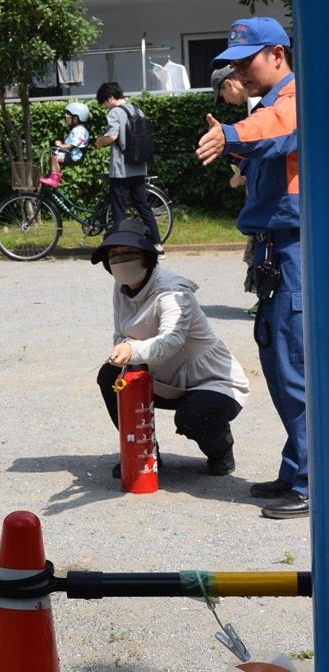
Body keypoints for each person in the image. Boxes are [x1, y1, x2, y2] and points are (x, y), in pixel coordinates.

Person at [196, 17, 306, 519]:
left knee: (295, 370)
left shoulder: (295, 99)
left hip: (295, 251)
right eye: (235, 62)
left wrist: (232, 136)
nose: (240, 70)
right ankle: (297, 470)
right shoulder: (268, 104)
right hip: (273, 252)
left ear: (278, 54)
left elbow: (274, 132)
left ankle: (310, 484)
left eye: (248, 59)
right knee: (281, 367)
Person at [93, 220, 248, 479]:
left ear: (148, 257)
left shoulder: (174, 292)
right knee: (110, 376)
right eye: (113, 255)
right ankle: (145, 452)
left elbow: (170, 341)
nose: (120, 261)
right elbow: (121, 332)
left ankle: (221, 449)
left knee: (195, 417)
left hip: (211, 383)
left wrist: (131, 350)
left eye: (129, 253)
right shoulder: (120, 289)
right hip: (161, 379)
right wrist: (122, 350)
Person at [94, 82, 164, 257]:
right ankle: (158, 245)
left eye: (104, 102)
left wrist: (99, 142)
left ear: (110, 98)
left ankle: (120, 248)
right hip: (139, 166)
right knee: (143, 206)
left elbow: (112, 136)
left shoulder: (114, 112)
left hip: (121, 170)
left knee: (119, 210)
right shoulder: (137, 109)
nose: (105, 107)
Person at [211, 65, 258, 315]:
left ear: (228, 85)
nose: (227, 102)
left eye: (223, 96)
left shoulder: (258, 104)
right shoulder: (258, 103)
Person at [38, 101, 90, 188]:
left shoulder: (79, 130)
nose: (66, 118)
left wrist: (61, 146)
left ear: (76, 118)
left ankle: (54, 179)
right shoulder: (77, 129)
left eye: (68, 116)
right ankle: (52, 176)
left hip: (74, 156)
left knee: (55, 157)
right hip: (72, 154)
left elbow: (72, 145)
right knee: (53, 154)